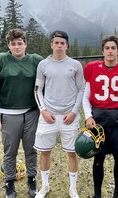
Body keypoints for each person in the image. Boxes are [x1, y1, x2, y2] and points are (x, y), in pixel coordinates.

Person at [0, 28, 43, 198]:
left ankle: (32, 180)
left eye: (20, 43)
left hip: (32, 112)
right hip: (9, 112)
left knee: (31, 149)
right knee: (10, 151)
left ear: (25, 44)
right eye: (13, 44)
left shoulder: (36, 61)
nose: (17, 47)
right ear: (8, 45)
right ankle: (9, 183)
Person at [82, 35, 118, 198]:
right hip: (99, 122)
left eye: (113, 48)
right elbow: (86, 97)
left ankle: (117, 193)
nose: (110, 51)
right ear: (102, 50)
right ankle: (97, 194)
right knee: (97, 159)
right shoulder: (93, 68)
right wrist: (88, 116)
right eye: (107, 48)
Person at [34, 30, 85, 198]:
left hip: (69, 118)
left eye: (62, 43)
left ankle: (73, 188)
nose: (59, 46)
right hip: (48, 116)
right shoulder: (43, 65)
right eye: (56, 42)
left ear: (67, 45)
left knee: (72, 153)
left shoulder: (75, 65)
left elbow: (82, 89)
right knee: (45, 151)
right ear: (51, 44)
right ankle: (45, 186)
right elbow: (37, 90)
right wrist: (43, 110)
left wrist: (73, 111)